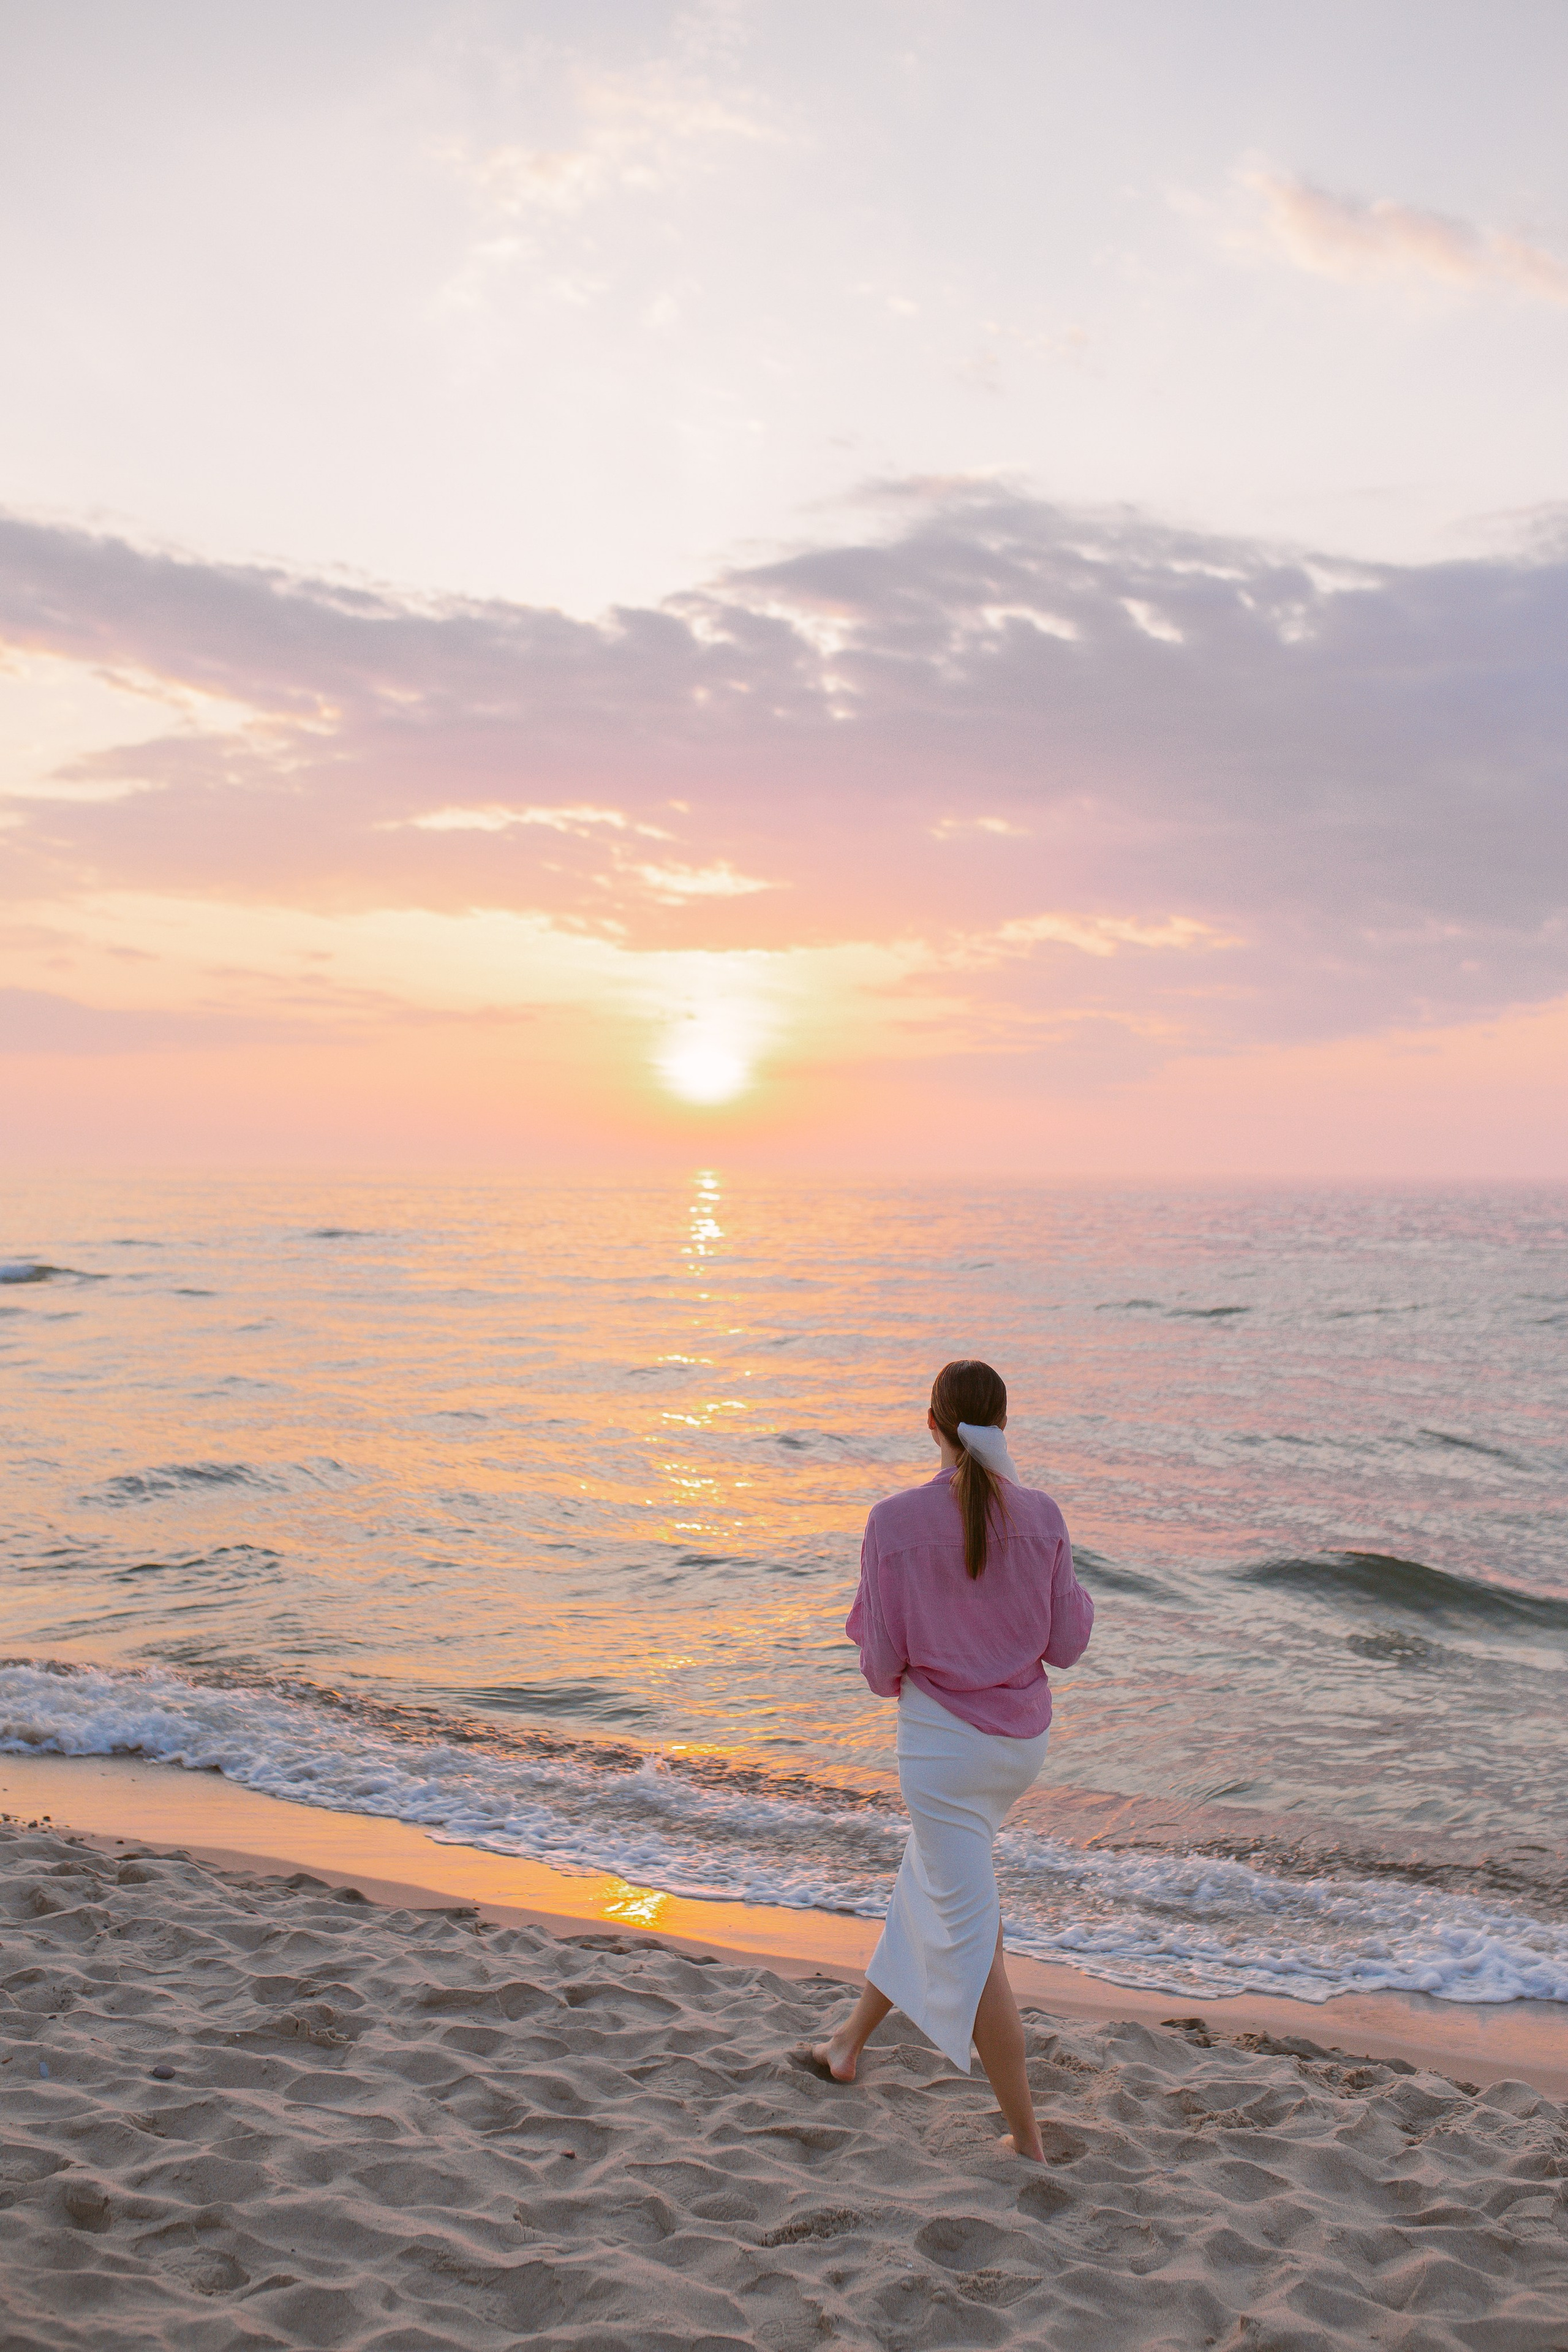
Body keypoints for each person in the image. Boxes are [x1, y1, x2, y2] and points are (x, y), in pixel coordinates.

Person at [809, 1358, 1094, 2160]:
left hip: (942, 1753)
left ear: (930, 1425)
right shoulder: (1042, 1514)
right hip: (1017, 1751)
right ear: (1004, 1426)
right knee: (930, 1883)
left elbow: (879, 1671)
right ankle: (846, 2045)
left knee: (974, 1940)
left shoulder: (891, 1523)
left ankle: (1028, 2141)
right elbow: (1067, 1645)